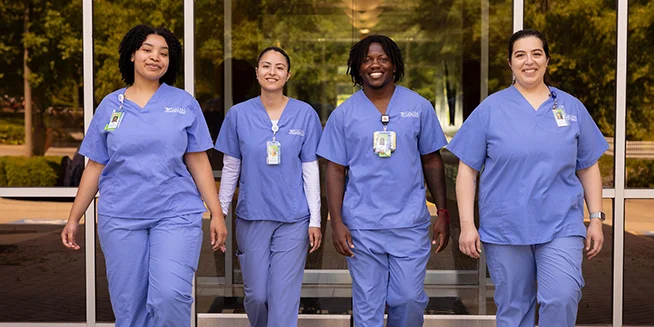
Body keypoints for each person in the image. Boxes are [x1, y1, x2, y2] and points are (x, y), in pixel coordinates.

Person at [60, 24, 227, 327]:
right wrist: (74, 217)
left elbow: (199, 161)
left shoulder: (183, 103)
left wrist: (216, 212)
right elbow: (95, 165)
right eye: (147, 50)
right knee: (129, 305)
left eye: (164, 53)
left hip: (175, 213)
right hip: (121, 216)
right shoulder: (111, 105)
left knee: (170, 296)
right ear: (133, 55)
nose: (155, 57)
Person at [447, 29, 608, 327]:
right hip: (506, 227)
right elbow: (467, 171)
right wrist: (468, 226)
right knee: (514, 307)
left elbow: (587, 166)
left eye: (536, 53)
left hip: (561, 225)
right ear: (510, 63)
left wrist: (596, 217)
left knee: (562, 296)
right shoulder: (491, 109)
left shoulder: (571, 108)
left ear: (547, 60)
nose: (529, 61)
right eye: (520, 55)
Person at [317, 34, 450, 327]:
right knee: (368, 306)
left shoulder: (418, 107)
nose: (374, 65)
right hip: (362, 226)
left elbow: (432, 160)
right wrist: (336, 222)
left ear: (394, 65)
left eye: (382, 58)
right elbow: (335, 170)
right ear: (357, 67)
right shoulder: (344, 115)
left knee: (409, 299)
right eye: (366, 59)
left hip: (409, 224)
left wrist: (442, 212)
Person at [213, 46, 323, 327]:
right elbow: (230, 168)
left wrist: (315, 220)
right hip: (252, 217)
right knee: (257, 296)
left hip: (293, 219)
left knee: (283, 298)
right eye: (265, 65)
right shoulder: (238, 115)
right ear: (257, 72)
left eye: (279, 67)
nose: (272, 72)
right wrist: (220, 212)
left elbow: (310, 169)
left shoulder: (305, 114)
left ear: (288, 75)